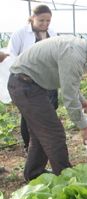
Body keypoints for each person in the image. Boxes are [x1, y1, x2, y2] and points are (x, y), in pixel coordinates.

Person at [7, 26, 87, 181]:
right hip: (25, 85)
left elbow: (70, 83)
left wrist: (82, 101)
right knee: (54, 133)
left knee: (40, 134)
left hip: (30, 85)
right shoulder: (74, 53)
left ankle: (34, 174)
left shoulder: (78, 50)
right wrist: (84, 127)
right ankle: (67, 180)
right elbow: (68, 97)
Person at [7, 5, 57, 152]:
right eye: (41, 20)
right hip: (27, 81)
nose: (45, 24)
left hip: (47, 79)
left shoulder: (52, 33)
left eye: (48, 21)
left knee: (49, 109)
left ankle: (44, 143)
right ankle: (29, 145)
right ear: (32, 18)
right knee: (28, 113)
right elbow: (12, 55)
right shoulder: (21, 33)